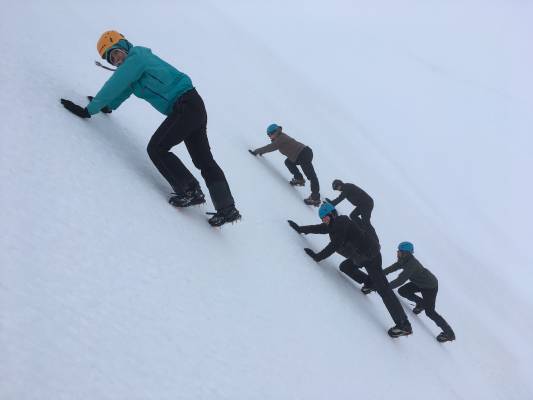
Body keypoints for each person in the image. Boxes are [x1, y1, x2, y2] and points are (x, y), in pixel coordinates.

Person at [60, 31, 240, 227]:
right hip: (192, 106)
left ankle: (190, 191)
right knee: (204, 161)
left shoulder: (137, 57)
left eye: (117, 53)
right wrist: (107, 106)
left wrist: (89, 110)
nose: (117, 60)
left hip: (186, 104)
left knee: (157, 148)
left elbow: (115, 83)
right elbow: (123, 89)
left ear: (125, 45)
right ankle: (227, 209)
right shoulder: (134, 71)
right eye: (112, 59)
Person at [287, 202, 412, 338]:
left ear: (332, 214)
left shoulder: (342, 222)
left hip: (372, 257)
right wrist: (301, 229)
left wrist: (318, 257)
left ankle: (403, 324)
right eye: (323, 219)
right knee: (345, 267)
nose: (324, 221)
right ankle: (369, 283)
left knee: (384, 290)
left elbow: (334, 245)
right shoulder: (334, 225)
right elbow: (320, 229)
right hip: (360, 257)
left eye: (326, 218)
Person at [384, 242, 456, 343]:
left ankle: (449, 334)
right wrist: (381, 273)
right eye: (398, 251)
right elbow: (394, 267)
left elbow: (401, 280)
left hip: (430, 286)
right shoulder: (404, 260)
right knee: (403, 291)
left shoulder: (411, 264)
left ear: (406, 253)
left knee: (430, 312)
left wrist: (385, 287)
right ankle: (421, 304)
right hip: (419, 282)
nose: (397, 253)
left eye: (399, 251)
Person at [249, 124, 321, 206]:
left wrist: (257, 151)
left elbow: (270, 147)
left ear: (276, 132)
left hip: (303, 154)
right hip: (298, 156)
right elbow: (271, 147)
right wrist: (262, 151)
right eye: (268, 134)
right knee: (288, 162)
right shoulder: (279, 138)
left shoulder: (280, 139)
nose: (269, 136)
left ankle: (315, 198)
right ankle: (299, 179)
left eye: (271, 133)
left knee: (311, 176)